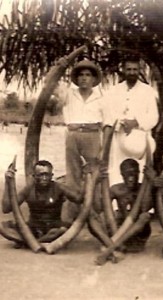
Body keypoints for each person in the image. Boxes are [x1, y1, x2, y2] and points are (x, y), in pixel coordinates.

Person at [53, 59, 112, 222]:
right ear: (76, 79)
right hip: (72, 135)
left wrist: (103, 150)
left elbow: (108, 125)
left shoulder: (102, 98)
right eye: (81, 75)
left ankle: (94, 215)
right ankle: (71, 216)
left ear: (94, 79)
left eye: (88, 75)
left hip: (92, 135)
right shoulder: (68, 94)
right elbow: (49, 84)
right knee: (73, 176)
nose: (84, 78)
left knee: (94, 175)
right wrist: (60, 66)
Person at [0, 160, 83, 248]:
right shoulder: (28, 189)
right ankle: (39, 242)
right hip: (33, 228)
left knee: (62, 230)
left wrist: (88, 177)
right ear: (34, 176)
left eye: (46, 175)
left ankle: (30, 243)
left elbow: (79, 199)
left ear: (51, 176)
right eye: (40, 175)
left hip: (53, 227)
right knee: (2, 227)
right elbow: (6, 208)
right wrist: (7, 182)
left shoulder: (59, 187)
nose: (44, 178)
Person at [105, 56, 159, 185]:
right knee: (117, 174)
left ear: (139, 70)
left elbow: (154, 117)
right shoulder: (114, 91)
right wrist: (122, 123)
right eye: (129, 69)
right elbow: (108, 115)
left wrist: (135, 123)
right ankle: (117, 204)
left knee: (139, 174)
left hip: (140, 140)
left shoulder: (148, 91)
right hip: (118, 139)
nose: (132, 72)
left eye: (135, 69)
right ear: (123, 70)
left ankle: (139, 203)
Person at [109, 158, 155, 252]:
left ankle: (115, 244)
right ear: (122, 174)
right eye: (127, 174)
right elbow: (100, 207)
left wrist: (150, 182)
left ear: (139, 173)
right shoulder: (116, 189)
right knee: (108, 215)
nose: (131, 178)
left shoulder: (143, 188)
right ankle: (117, 242)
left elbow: (145, 207)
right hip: (120, 229)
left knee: (145, 216)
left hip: (139, 232)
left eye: (134, 174)